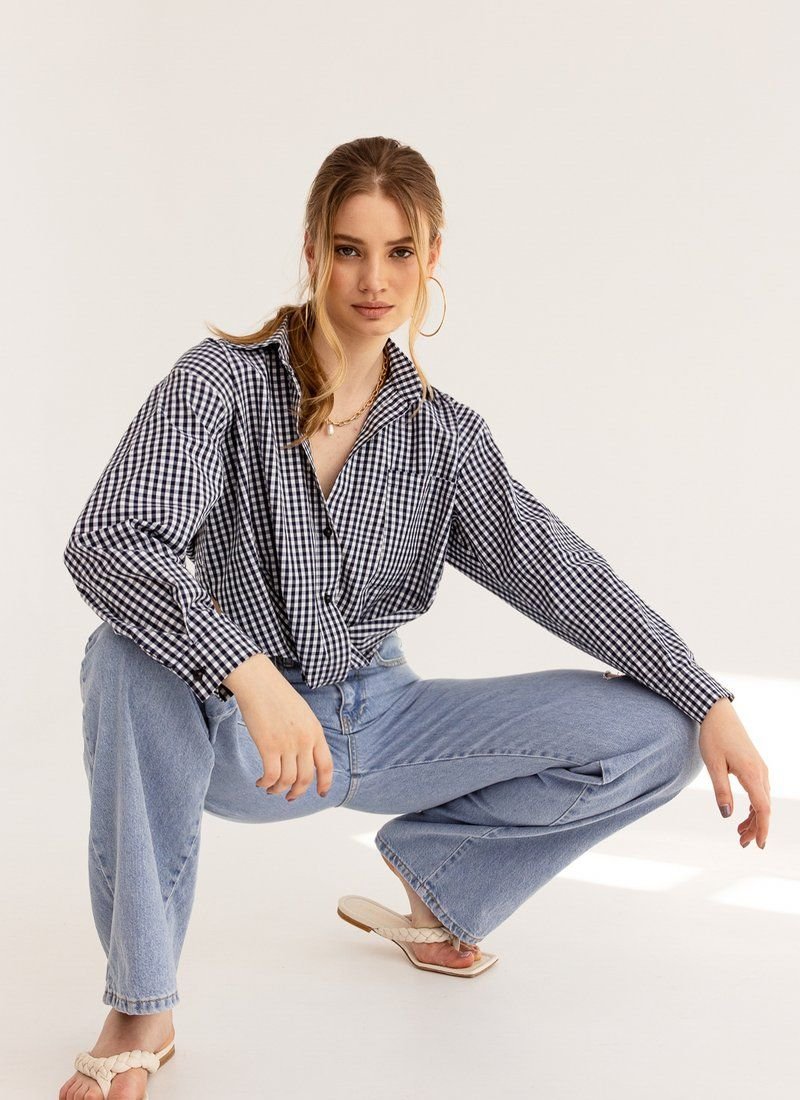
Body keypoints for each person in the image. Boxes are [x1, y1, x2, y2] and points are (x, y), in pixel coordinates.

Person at [59, 135, 770, 1100]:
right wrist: (246, 671)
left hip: (386, 721)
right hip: (242, 736)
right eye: (349, 249)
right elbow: (109, 541)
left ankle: (441, 885)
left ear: (432, 257)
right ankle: (142, 1004)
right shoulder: (217, 385)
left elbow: (563, 575)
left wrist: (709, 698)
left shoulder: (443, 438)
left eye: (399, 252)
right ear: (312, 250)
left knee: (661, 732)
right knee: (123, 653)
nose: (374, 280)